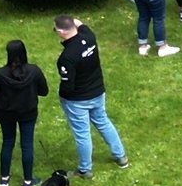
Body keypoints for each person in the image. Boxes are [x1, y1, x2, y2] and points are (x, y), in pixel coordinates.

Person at [54, 14, 128, 176]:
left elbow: (68, 86)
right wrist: (73, 21)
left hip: (77, 100)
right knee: (103, 122)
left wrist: (62, 98)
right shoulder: (89, 36)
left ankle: (85, 169)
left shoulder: (67, 58)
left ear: (61, 32)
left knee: (82, 134)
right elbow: (81, 24)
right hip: (97, 92)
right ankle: (120, 156)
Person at [0, 38, 48, 186]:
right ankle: (28, 182)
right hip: (28, 113)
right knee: (27, 145)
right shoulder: (34, 71)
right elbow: (44, 91)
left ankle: (4, 179)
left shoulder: (0, 74)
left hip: (6, 113)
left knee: (7, 142)